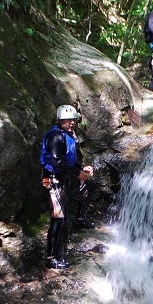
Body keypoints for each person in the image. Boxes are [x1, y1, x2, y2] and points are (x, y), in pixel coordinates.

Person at [40, 105, 96, 270]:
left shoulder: (68, 135)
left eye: (73, 120)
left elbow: (69, 160)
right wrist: (77, 173)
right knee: (58, 218)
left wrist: (81, 168)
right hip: (53, 180)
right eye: (67, 120)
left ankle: (79, 219)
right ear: (59, 121)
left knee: (90, 186)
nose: (71, 123)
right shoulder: (56, 137)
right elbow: (57, 162)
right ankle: (50, 258)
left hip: (65, 179)